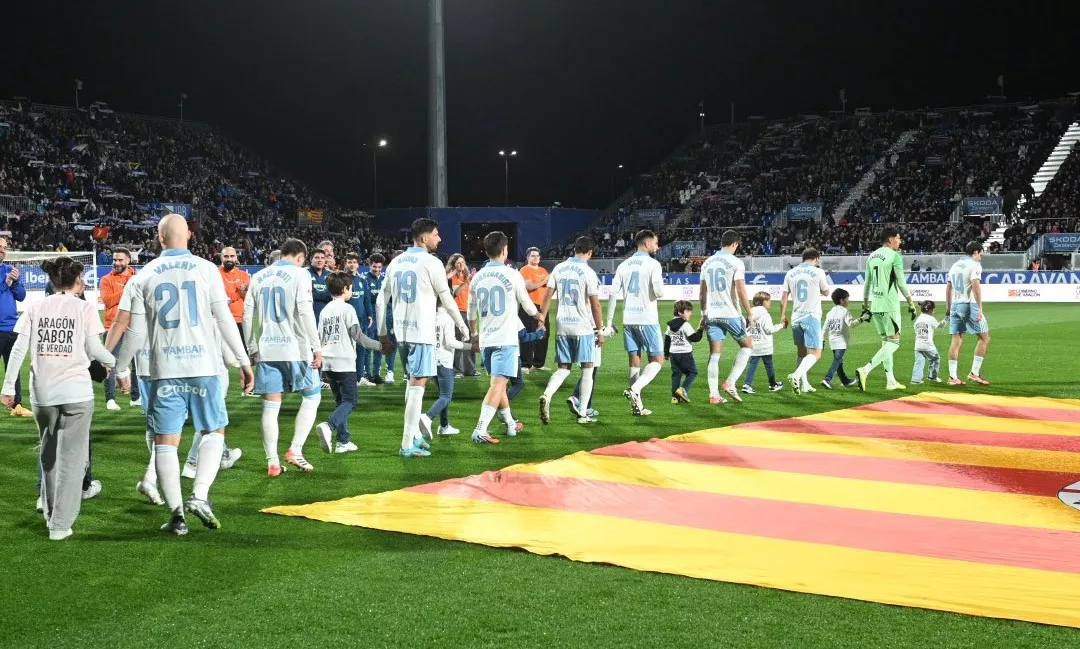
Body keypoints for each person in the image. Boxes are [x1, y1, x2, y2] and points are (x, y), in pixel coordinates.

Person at [114, 214, 254, 534]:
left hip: (164, 371)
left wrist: (122, 368)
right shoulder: (206, 269)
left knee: (165, 443)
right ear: (189, 235)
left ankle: (177, 516)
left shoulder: (143, 275)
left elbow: (134, 333)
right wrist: (244, 362)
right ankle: (200, 495)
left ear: (159, 237)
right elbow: (222, 318)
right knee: (213, 431)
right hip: (203, 366)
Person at [1, 257, 115, 540]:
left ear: (52, 281)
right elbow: (94, 349)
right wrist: (116, 364)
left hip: (43, 393)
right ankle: (60, 525)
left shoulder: (36, 308)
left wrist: (7, 388)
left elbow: (18, 350)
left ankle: (50, 511)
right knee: (73, 461)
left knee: (48, 454)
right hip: (76, 392)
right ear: (77, 281)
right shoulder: (85, 309)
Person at [376, 219, 469, 458]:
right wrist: (461, 325)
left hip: (402, 332)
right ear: (424, 238)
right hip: (422, 333)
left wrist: (383, 333)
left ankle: (415, 436)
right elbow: (446, 297)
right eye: (436, 235)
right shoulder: (431, 262)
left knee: (411, 383)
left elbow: (380, 299)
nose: (439, 239)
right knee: (418, 386)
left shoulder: (395, 262)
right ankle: (407, 443)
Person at [245, 237, 327, 475]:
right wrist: (316, 346)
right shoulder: (301, 275)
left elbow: (249, 315)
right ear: (301, 257)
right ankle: (295, 450)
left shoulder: (259, 276)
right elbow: (304, 311)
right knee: (312, 397)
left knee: (271, 407)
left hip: (267, 349)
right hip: (296, 348)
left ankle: (272, 462)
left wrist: (252, 347)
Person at [466, 231, 540, 444]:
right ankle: (480, 430)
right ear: (505, 250)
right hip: (505, 338)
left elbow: (471, 313)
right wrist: (539, 317)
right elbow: (526, 304)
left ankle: (510, 425)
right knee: (498, 386)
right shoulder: (512, 274)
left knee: (499, 384)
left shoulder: (477, 277)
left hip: (487, 338)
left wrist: (474, 336)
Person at [538, 236, 604, 425]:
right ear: (590, 253)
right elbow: (595, 305)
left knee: (564, 368)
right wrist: (599, 330)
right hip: (582, 326)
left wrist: (542, 318)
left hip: (562, 325)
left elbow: (547, 296)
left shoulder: (558, 268)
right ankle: (583, 413)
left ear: (574, 249)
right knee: (587, 369)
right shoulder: (588, 272)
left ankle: (547, 394)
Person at [315, 271, 382, 453]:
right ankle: (329, 426)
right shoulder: (348, 309)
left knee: (340, 401)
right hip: (344, 361)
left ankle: (343, 441)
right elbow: (358, 337)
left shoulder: (325, 311)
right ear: (345, 289)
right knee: (350, 402)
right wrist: (380, 345)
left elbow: (319, 336)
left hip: (328, 362)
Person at [605, 229, 666, 416]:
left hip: (628, 319)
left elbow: (613, 293)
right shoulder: (653, 264)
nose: (657, 246)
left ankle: (637, 406)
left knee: (634, 359)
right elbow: (659, 292)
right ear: (647, 244)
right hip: (647, 319)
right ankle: (635, 389)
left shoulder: (624, 265)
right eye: (655, 243)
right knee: (658, 360)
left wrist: (609, 321)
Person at [854, 226, 916, 391]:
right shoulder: (894, 256)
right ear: (890, 239)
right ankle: (865, 370)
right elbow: (901, 283)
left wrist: (865, 304)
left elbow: (867, 283)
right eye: (898, 238)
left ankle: (891, 381)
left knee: (886, 341)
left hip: (876, 305)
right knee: (894, 342)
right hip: (889, 305)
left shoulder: (872, 256)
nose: (900, 241)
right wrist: (911, 302)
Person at [699, 230, 754, 404]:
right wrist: (749, 312)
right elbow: (740, 289)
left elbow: (702, 293)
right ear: (735, 244)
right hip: (730, 313)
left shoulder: (707, 263)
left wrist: (704, 314)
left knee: (714, 354)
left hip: (713, 314)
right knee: (747, 347)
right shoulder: (735, 262)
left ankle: (713, 395)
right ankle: (730, 382)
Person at [779, 248, 831, 395]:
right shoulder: (818, 271)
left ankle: (804, 384)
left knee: (801, 353)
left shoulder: (790, 273)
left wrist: (783, 316)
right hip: (811, 316)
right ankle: (795, 375)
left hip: (796, 318)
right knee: (816, 353)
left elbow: (783, 297)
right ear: (816, 258)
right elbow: (826, 292)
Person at [946, 241, 991, 385]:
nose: (981, 257)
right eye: (981, 254)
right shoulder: (975, 265)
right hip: (969, 305)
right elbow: (976, 286)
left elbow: (948, 288)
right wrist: (980, 308)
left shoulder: (954, 266)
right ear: (975, 252)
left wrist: (948, 307)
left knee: (956, 341)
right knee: (984, 338)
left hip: (955, 305)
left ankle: (953, 377)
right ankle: (974, 373)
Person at [100, 247, 140, 411]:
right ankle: (110, 399)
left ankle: (136, 397)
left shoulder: (138, 277)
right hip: (112, 327)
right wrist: (128, 290)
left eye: (120, 260)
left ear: (128, 260)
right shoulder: (106, 279)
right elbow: (108, 301)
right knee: (110, 363)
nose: (116, 263)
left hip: (134, 327)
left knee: (137, 364)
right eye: (115, 260)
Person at [427, 304, 472, 436]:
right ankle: (427, 417)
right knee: (446, 396)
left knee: (443, 395)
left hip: (432, 360)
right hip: (443, 361)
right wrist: (469, 346)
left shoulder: (430, 316)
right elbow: (450, 342)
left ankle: (444, 426)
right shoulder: (447, 318)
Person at [0, 236, 31, 417]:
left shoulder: (10, 269)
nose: (2, 250)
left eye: (4, 247)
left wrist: (16, 282)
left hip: (12, 327)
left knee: (14, 368)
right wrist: (6, 283)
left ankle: (16, 406)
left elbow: (21, 296)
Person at [822, 288, 866, 389]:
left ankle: (845, 380)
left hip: (832, 340)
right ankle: (827, 379)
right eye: (847, 298)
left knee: (839, 361)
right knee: (837, 360)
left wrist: (822, 340)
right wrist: (862, 318)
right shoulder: (845, 311)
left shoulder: (830, 313)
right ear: (842, 300)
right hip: (841, 341)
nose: (848, 300)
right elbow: (851, 324)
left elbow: (824, 328)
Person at [342, 252, 376, 387]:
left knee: (361, 348)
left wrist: (370, 315)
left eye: (354, 262)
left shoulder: (362, 280)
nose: (352, 264)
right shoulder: (342, 279)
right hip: (346, 319)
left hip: (361, 320)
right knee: (347, 349)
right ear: (346, 263)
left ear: (358, 264)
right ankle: (347, 378)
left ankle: (360, 377)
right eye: (349, 262)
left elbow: (367, 299)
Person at [742, 292, 785, 394]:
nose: (770, 302)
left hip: (753, 343)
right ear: (762, 302)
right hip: (765, 345)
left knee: (752, 365)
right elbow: (769, 330)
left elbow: (746, 328)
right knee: (769, 365)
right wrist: (781, 325)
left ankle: (747, 384)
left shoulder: (750, 313)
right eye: (768, 300)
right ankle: (773, 384)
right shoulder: (765, 315)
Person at [665, 300, 704, 403]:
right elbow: (694, 338)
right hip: (685, 354)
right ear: (680, 312)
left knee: (676, 374)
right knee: (693, 372)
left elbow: (667, 339)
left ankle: (675, 398)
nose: (690, 313)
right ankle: (683, 389)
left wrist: (666, 354)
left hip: (673, 354)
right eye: (688, 311)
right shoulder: (685, 325)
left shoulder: (669, 325)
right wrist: (700, 329)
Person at [519, 247, 550, 371]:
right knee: (527, 334)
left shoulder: (543, 270)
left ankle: (538, 363)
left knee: (544, 334)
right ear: (527, 258)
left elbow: (549, 289)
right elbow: (529, 286)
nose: (536, 257)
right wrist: (545, 280)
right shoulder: (524, 270)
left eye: (537, 255)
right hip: (529, 306)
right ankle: (525, 364)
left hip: (543, 307)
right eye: (533, 255)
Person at [447, 254, 476, 377]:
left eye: (463, 263)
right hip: (456, 312)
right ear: (453, 265)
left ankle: (470, 369)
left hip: (468, 311)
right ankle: (458, 370)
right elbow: (456, 293)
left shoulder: (466, 276)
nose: (461, 265)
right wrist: (467, 282)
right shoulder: (450, 278)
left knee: (470, 339)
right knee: (459, 340)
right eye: (458, 263)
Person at [362, 253, 388, 382]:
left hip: (382, 319)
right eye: (374, 267)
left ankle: (376, 374)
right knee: (368, 346)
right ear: (369, 265)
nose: (377, 270)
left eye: (379, 267)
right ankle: (367, 373)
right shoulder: (364, 279)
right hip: (370, 318)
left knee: (380, 346)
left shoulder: (385, 280)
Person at [219, 246, 250, 342]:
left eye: (232, 256)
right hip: (222, 321)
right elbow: (222, 297)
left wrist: (243, 294)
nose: (229, 259)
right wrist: (238, 294)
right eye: (226, 256)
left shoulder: (244, 275)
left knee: (243, 352)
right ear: (221, 257)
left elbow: (248, 298)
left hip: (241, 321)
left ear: (236, 257)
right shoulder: (216, 274)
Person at [912, 300, 947, 384]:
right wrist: (946, 319)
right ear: (930, 310)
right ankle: (932, 377)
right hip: (928, 345)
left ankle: (915, 380)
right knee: (935, 359)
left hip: (917, 345)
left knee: (919, 362)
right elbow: (939, 325)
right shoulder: (931, 319)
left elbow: (916, 331)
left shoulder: (918, 320)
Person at [308, 249, 331, 321]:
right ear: (311, 259)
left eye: (322, 258)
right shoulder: (305, 273)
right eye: (317, 257)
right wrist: (326, 295)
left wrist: (314, 294)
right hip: (310, 315)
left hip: (327, 315)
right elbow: (306, 294)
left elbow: (333, 295)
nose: (320, 260)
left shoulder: (330, 275)